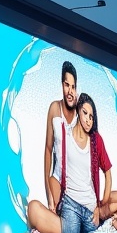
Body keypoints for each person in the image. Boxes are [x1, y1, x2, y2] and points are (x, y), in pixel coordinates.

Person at [27, 93, 117, 233]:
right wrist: (52, 202)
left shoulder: (96, 140)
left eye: (91, 116)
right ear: (78, 111)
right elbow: (52, 163)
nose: (88, 119)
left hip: (92, 213)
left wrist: (101, 204)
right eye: (85, 113)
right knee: (34, 208)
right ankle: (55, 228)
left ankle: (107, 228)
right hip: (70, 207)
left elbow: (108, 173)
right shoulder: (65, 135)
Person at [43, 61, 77, 213]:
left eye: (73, 86)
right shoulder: (54, 108)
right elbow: (48, 150)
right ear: (61, 85)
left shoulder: (81, 113)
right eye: (66, 84)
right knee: (42, 211)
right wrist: (49, 194)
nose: (70, 90)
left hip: (76, 184)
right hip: (57, 179)